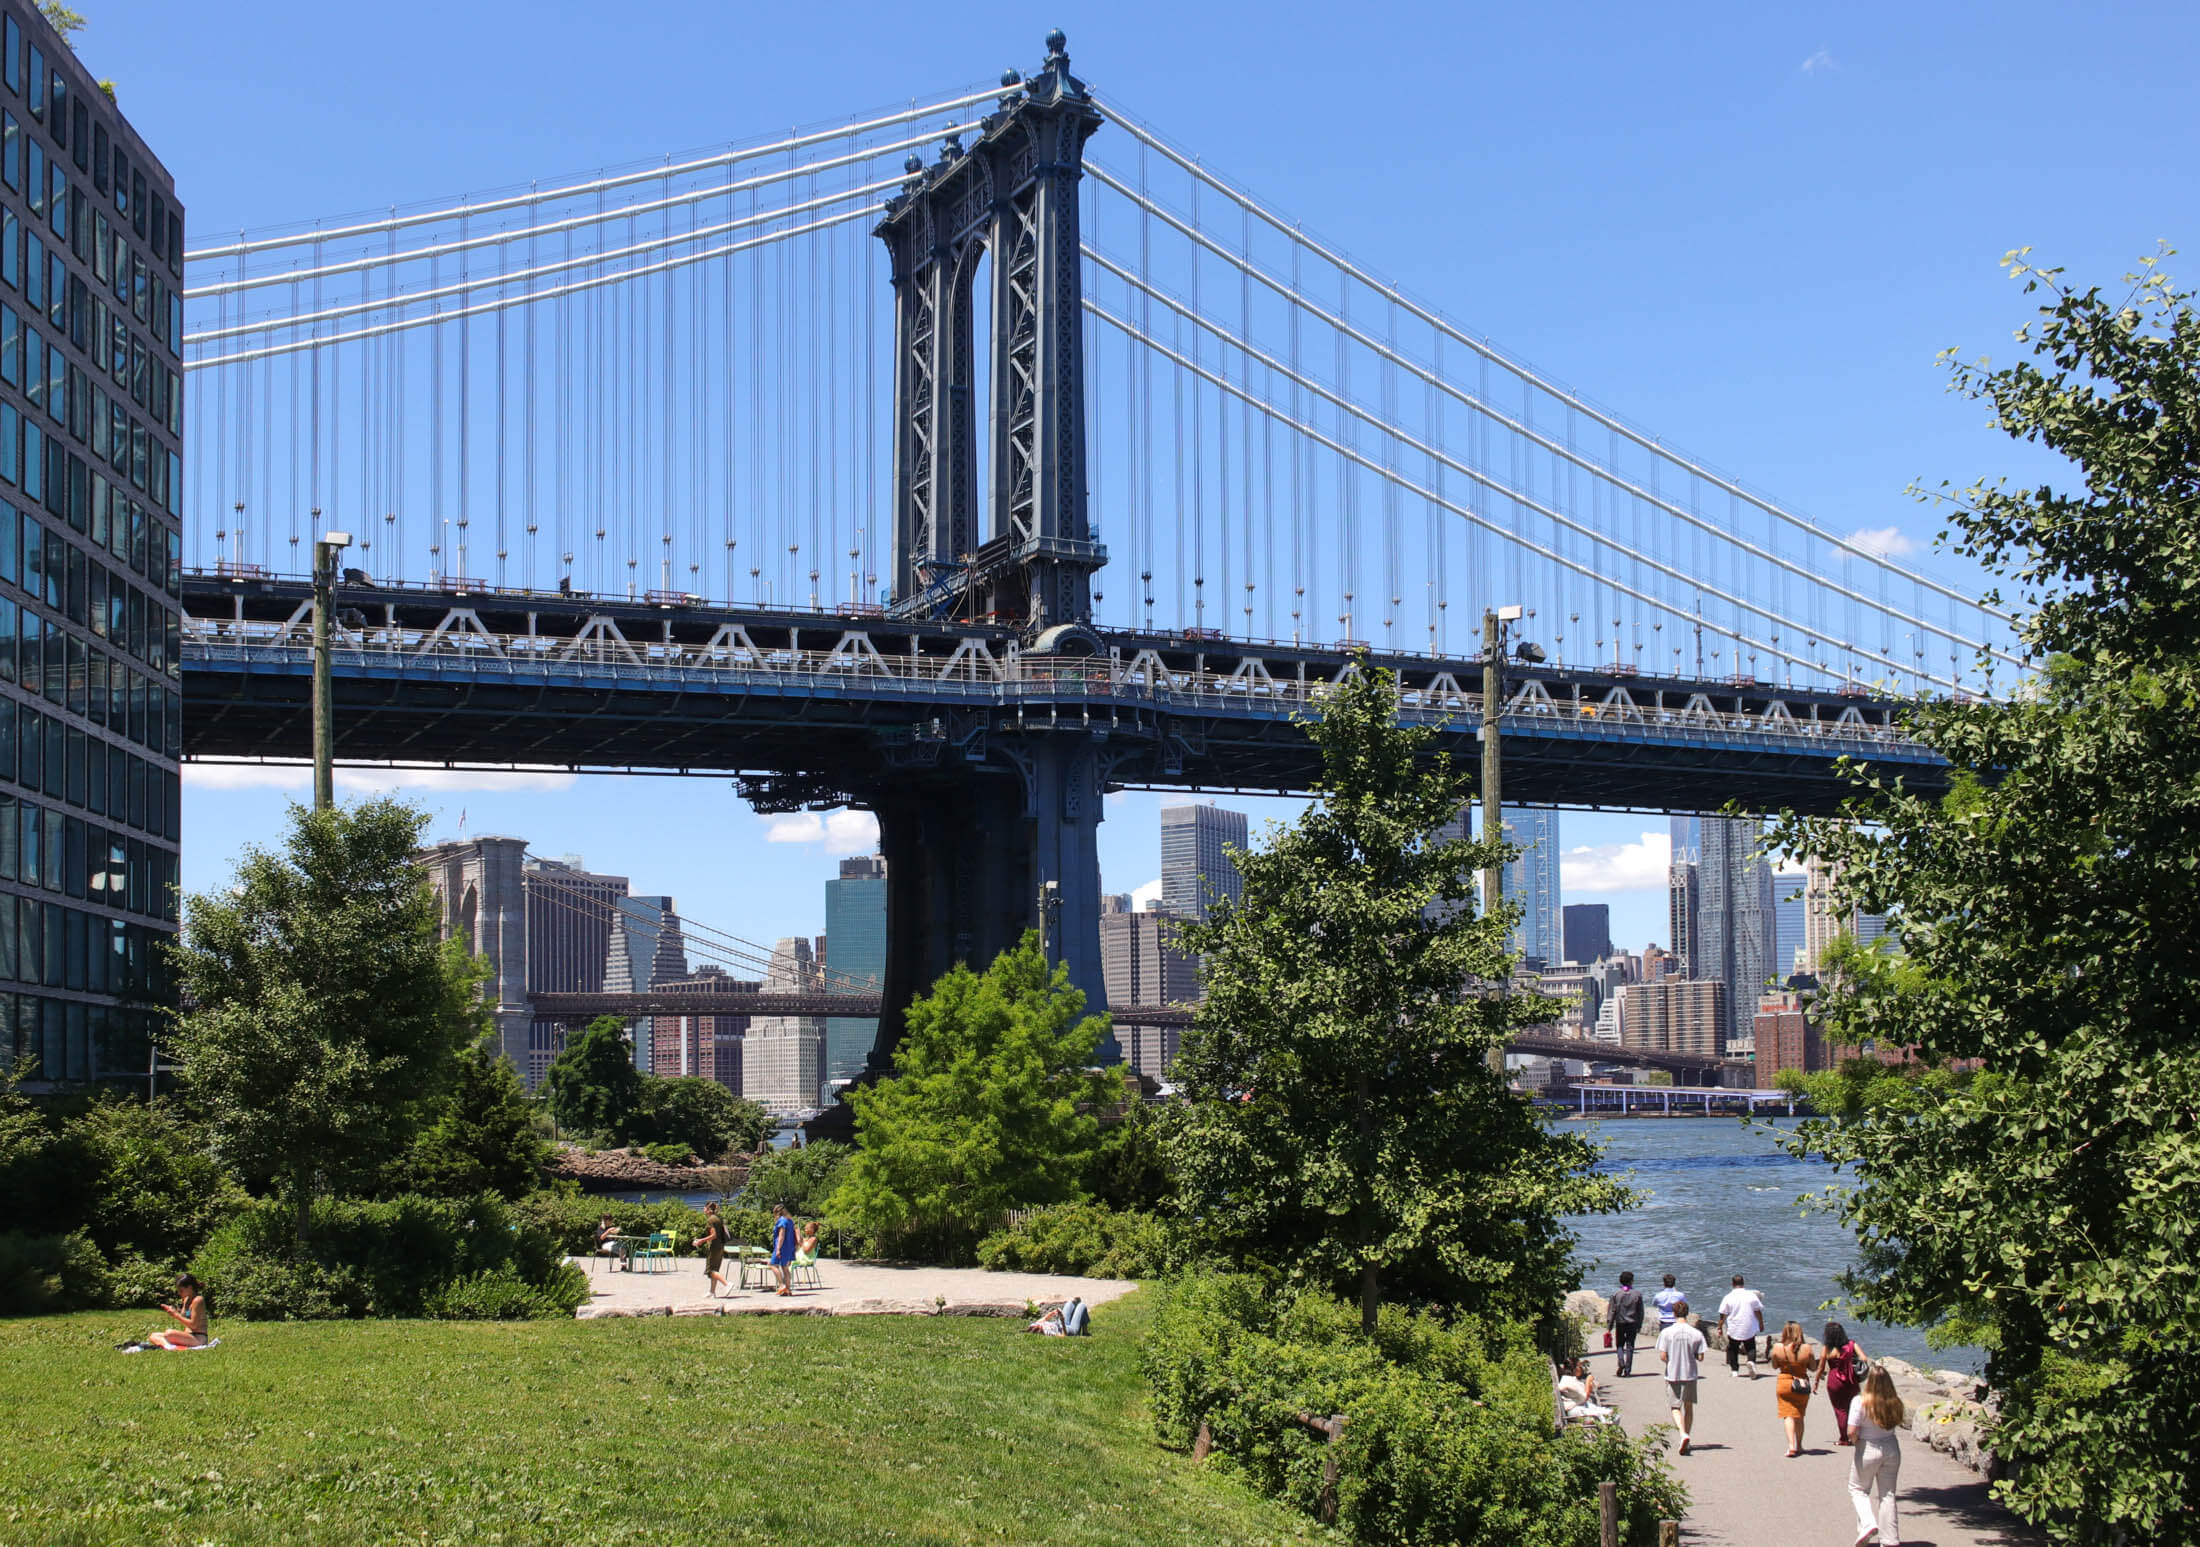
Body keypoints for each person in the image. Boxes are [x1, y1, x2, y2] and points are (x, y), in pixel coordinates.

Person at [1848, 1364, 1906, 1545]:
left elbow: (1851, 1431)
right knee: (1887, 1494)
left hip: (1868, 1447)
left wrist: (1855, 1441)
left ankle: (1867, 1524)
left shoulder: (1860, 1401)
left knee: (1858, 1489)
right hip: (1891, 1446)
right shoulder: (1895, 1402)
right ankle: (1890, 1539)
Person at [1655, 1298, 1707, 1454]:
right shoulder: (1696, 1333)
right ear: (1687, 1314)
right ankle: (1687, 1436)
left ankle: (1682, 1433)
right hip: (1690, 1373)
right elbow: (1701, 1357)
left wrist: (1671, 1360)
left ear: (1673, 1313)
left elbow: (1663, 1356)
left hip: (1673, 1373)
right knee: (1689, 1406)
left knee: (1675, 1406)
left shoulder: (1667, 1332)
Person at [1769, 1320, 1820, 1456]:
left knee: (1788, 1415)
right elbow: (1813, 1368)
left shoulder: (1778, 1347)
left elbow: (1774, 1366)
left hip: (1784, 1382)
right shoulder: (1807, 1348)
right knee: (1799, 1415)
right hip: (1801, 1383)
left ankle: (1791, 1446)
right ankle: (1800, 1445)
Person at [1822, 1322, 1867, 1446]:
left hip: (1834, 1380)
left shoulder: (1828, 1348)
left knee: (1840, 1410)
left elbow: (1821, 1364)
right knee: (1854, 1407)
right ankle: (1856, 1435)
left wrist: (1816, 1381)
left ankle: (1844, 1438)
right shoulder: (1852, 1344)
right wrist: (1851, 1362)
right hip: (1851, 1379)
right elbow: (1864, 1358)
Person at [1716, 1274, 1766, 1378]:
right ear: (1743, 1283)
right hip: (1749, 1326)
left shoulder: (1728, 1297)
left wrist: (1720, 1327)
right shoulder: (1751, 1295)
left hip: (1735, 1327)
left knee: (1733, 1348)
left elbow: (1723, 1315)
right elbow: (1758, 1311)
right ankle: (1751, 1361)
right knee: (1751, 1347)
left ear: (1732, 1284)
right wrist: (1761, 1323)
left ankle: (1735, 1370)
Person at [147, 1275, 209, 1350]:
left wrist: (175, 1315)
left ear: (189, 1288)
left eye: (181, 1290)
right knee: (153, 1335)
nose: (179, 1293)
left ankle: (168, 1346)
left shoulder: (198, 1300)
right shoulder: (186, 1299)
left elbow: (194, 1325)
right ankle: (169, 1346)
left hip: (198, 1338)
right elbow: (184, 1316)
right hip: (187, 1336)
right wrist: (174, 1311)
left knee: (169, 1333)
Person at [1607, 1270, 1645, 1377]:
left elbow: (1612, 1311)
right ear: (1631, 1281)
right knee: (1630, 1346)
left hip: (1620, 1322)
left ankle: (1621, 1361)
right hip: (1632, 1323)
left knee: (1619, 1344)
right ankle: (1627, 1370)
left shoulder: (1616, 1294)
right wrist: (1639, 1324)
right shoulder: (1637, 1294)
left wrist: (1609, 1325)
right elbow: (1640, 1311)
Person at [1558, 1358, 1616, 1424]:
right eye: (1579, 1366)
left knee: (1609, 1413)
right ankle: (1608, 1431)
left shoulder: (1567, 1378)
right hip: (1575, 1410)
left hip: (1577, 1407)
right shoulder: (1570, 1380)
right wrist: (1588, 1381)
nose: (1582, 1369)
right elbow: (1584, 1397)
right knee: (1610, 1417)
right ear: (1575, 1369)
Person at [694, 1202, 730, 1297]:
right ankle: (712, 1292)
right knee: (715, 1269)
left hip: (714, 1247)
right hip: (720, 1246)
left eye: (704, 1208)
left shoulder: (711, 1220)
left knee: (710, 1270)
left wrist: (701, 1240)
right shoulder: (717, 1218)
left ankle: (727, 1284)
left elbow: (714, 1235)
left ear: (709, 1210)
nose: (703, 1210)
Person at [768, 1203, 798, 1297]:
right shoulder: (790, 1221)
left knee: (772, 1265)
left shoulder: (782, 1221)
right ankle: (788, 1290)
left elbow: (781, 1235)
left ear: (777, 1212)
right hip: (790, 1247)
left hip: (782, 1247)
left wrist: (778, 1249)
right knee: (785, 1268)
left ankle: (781, 1285)